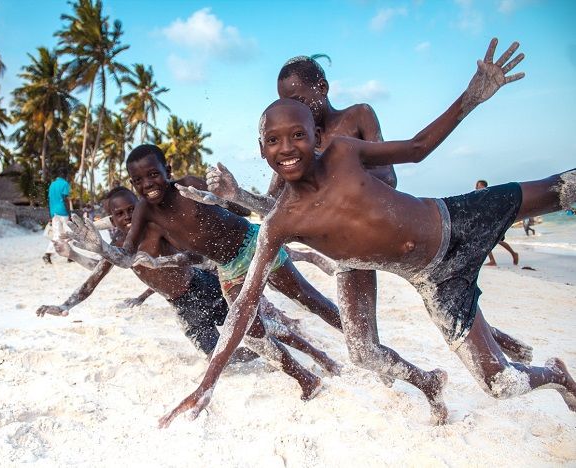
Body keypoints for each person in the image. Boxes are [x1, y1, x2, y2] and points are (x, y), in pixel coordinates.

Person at [155, 39, 576, 427]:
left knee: (561, 189)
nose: (286, 148)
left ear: (316, 136)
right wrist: (205, 384)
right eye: (273, 140)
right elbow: (244, 306)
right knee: (500, 383)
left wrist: (472, 95)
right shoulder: (281, 219)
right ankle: (554, 373)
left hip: (455, 221)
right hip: (431, 279)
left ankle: (502, 340)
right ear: (261, 148)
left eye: (298, 134)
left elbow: (415, 149)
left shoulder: (344, 147)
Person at [182, 52, 531, 375]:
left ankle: (501, 340)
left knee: (441, 290)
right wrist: (232, 197)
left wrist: (340, 182)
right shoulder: (296, 149)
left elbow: (392, 172)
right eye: (285, 102)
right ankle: (429, 381)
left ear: (323, 87)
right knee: (362, 351)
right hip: (349, 253)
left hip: (389, 227)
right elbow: (276, 210)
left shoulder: (355, 119)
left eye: (299, 99)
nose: (292, 108)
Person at [39, 187, 341, 374]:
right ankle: (272, 351)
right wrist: (65, 304)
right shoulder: (118, 246)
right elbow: (95, 275)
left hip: (203, 286)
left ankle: (308, 347)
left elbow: (192, 256)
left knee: (253, 325)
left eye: (132, 209)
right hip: (184, 306)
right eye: (119, 214)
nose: (127, 216)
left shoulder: (157, 229)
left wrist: (166, 262)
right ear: (112, 219)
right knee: (223, 356)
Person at [476, 179, 519, 265]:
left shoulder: (489, 195)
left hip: (494, 223)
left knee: (499, 241)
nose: (477, 188)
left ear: (484, 186)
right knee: (485, 242)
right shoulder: (480, 197)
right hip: (487, 223)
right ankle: (493, 260)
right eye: (477, 187)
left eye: (478, 186)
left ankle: (513, 254)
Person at [43, 167, 71, 264]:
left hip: (54, 213)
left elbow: (49, 200)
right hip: (63, 212)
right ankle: (70, 255)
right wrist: (69, 213)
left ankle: (47, 254)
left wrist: (50, 214)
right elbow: (65, 199)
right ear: (65, 175)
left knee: (57, 234)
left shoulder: (52, 185)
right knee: (68, 233)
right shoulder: (65, 184)